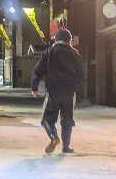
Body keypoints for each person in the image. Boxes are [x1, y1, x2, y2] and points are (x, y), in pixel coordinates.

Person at [31, 26, 85, 154]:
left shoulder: (49, 52)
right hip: (69, 93)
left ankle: (53, 137)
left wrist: (34, 86)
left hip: (53, 91)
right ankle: (66, 147)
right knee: (67, 119)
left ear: (56, 39)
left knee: (47, 119)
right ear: (69, 40)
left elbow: (38, 70)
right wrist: (76, 89)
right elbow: (81, 75)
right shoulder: (75, 54)